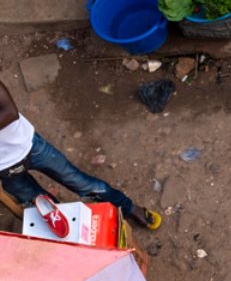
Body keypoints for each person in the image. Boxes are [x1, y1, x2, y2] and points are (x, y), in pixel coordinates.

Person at [0, 80, 161, 228]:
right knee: (40, 204)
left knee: (79, 181)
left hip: (30, 146)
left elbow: (10, 112)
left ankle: (127, 207)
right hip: (4, 168)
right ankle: (72, 229)